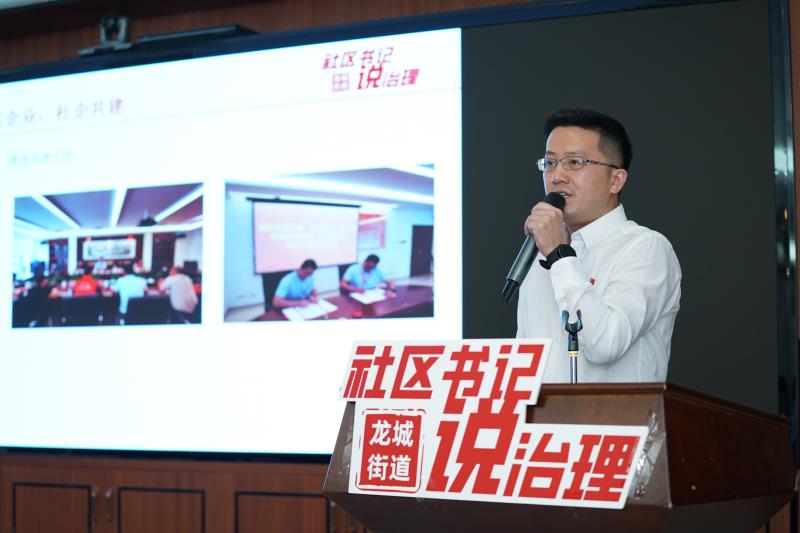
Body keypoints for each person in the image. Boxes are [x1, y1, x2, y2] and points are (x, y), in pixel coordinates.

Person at [517, 108, 681, 383]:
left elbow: (604, 343)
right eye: (550, 162)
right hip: (544, 413)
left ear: (616, 180)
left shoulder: (646, 248)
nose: (556, 176)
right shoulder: (539, 255)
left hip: (613, 412)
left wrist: (559, 255)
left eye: (574, 162)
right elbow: (526, 363)